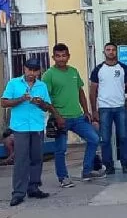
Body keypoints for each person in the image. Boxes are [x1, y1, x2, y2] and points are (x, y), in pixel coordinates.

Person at [43, 43, 104, 186]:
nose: (61, 59)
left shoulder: (73, 72)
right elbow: (46, 98)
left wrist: (86, 111)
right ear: (53, 57)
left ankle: (87, 171)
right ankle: (63, 178)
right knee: (61, 150)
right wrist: (57, 116)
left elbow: (80, 92)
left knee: (94, 138)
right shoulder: (49, 75)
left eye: (64, 55)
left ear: (68, 56)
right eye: (58, 56)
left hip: (77, 116)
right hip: (60, 118)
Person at [1, 58, 54, 206]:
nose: (32, 73)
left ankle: (34, 187)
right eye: (29, 70)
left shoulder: (41, 85)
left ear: (39, 71)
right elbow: (4, 102)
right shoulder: (14, 83)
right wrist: (21, 99)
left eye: (35, 70)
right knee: (21, 160)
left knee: (37, 158)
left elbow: (47, 107)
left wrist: (40, 103)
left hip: (37, 126)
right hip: (20, 127)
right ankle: (18, 192)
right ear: (24, 69)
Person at [90, 43, 127, 175]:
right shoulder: (98, 69)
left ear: (117, 52)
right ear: (104, 52)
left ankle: (126, 165)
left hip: (120, 107)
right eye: (108, 50)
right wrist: (94, 110)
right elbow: (93, 91)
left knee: (124, 137)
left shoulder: (123, 68)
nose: (111, 52)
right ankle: (109, 166)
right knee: (105, 139)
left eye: (113, 50)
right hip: (104, 108)